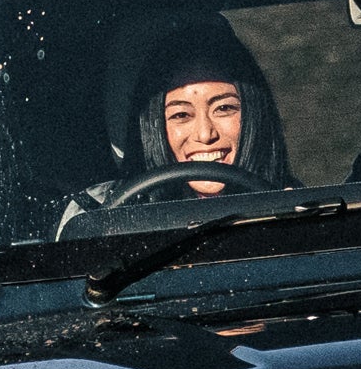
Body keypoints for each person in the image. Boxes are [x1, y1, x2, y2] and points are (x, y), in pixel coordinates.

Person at [53, 14, 288, 235]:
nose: (205, 134)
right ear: (154, 127)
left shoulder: (298, 205)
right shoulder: (98, 212)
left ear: (253, 115)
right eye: (181, 115)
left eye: (224, 109)